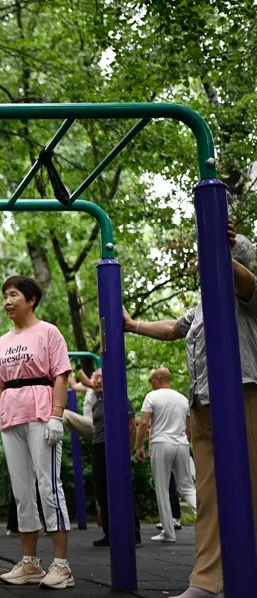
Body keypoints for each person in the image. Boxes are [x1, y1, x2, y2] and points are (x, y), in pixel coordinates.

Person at [123, 223, 257, 598]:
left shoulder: (244, 296)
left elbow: (246, 281)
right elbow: (172, 328)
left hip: (242, 397)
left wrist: (221, 247)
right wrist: (133, 325)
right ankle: (207, 581)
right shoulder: (201, 307)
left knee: (250, 488)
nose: (202, 264)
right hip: (203, 406)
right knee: (206, 498)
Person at [0, 275, 74, 589]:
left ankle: (61, 565)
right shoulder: (2, 342)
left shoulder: (48, 332)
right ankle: (30, 563)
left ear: (31, 299)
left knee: (49, 487)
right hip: (11, 416)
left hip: (40, 412)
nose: (7, 301)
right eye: (5, 295)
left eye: (13, 295)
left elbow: (61, 375)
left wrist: (56, 416)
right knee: (22, 492)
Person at [135, 368, 196, 543]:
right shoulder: (183, 399)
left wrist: (139, 447)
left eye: (151, 379)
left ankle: (168, 533)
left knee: (162, 488)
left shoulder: (152, 397)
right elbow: (189, 427)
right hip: (182, 443)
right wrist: (186, 442)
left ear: (159, 379)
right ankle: (208, 520)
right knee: (187, 486)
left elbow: (144, 422)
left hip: (161, 443)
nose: (150, 382)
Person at [87, 369, 143, 547]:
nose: (98, 381)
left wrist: (128, 450)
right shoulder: (97, 403)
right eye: (96, 378)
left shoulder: (120, 399)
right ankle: (110, 534)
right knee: (102, 491)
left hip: (115, 447)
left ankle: (134, 534)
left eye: (102, 377)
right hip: (98, 447)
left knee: (123, 487)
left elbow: (132, 426)